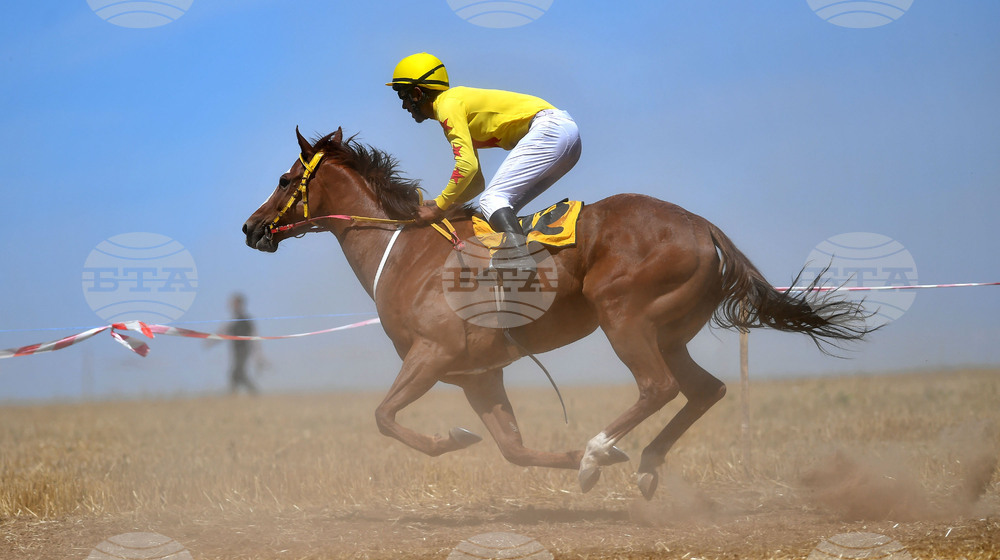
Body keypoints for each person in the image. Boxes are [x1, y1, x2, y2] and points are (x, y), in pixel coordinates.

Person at [387, 52, 582, 273]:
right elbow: (476, 181)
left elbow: (466, 166)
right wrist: (447, 205)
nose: (403, 106)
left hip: (551, 131)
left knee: (492, 199)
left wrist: (440, 205)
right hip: (564, 136)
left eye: (403, 96)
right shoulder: (454, 105)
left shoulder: (447, 106)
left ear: (417, 93)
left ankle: (520, 262)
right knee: (498, 209)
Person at [221, 293, 260, 395]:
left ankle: (253, 392)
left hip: (244, 350)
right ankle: (233, 393)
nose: (232, 306)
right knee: (235, 373)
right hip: (236, 350)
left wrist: (258, 353)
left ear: (240, 304)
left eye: (234, 303)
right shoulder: (234, 320)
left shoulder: (245, 319)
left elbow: (254, 335)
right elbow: (223, 332)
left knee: (238, 372)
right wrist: (211, 340)